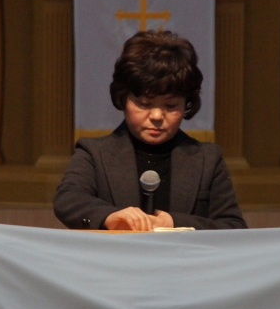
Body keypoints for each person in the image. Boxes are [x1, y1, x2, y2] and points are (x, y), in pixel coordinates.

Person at [53, 30, 247, 231]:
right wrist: (109, 216)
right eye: (144, 104)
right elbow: (68, 199)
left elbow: (233, 226)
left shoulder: (208, 159)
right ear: (123, 99)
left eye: (171, 106)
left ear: (187, 104)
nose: (157, 116)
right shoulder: (94, 153)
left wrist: (174, 223)